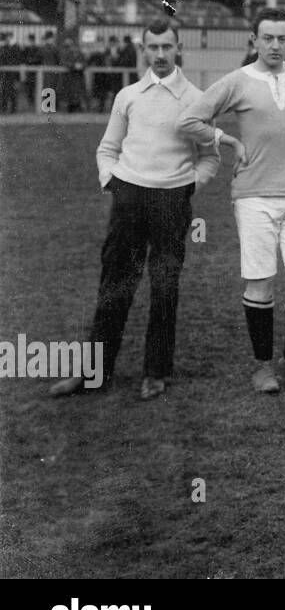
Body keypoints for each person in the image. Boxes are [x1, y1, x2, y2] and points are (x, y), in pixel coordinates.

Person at [50, 20, 220, 400]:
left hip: (172, 202)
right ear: (143, 50)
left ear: (178, 49)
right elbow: (108, 148)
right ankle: (94, 374)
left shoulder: (197, 99)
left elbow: (210, 157)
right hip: (128, 199)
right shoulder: (128, 95)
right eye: (153, 47)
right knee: (114, 287)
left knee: (164, 287)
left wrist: (190, 184)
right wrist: (112, 182)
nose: (160, 55)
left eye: (167, 47)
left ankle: (156, 372)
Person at [180, 7, 285, 394]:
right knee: (261, 283)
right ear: (253, 40)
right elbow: (189, 120)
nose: (275, 45)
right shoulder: (237, 81)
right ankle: (262, 366)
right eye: (267, 38)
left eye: (282, 38)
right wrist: (228, 140)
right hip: (253, 195)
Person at [0, 32, 19, 113]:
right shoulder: (4, 48)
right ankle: (4, 108)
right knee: (4, 91)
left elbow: (16, 60)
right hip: (5, 73)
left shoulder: (14, 48)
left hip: (11, 73)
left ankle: (12, 109)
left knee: (11, 91)